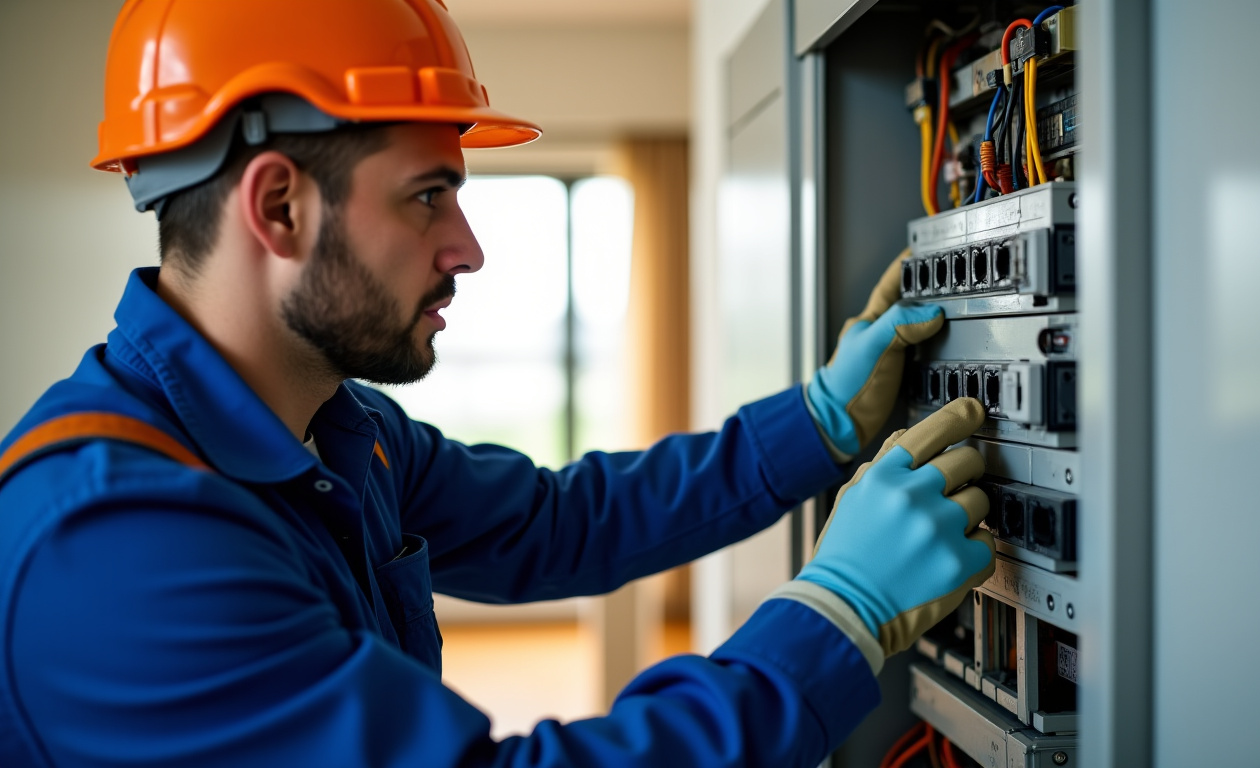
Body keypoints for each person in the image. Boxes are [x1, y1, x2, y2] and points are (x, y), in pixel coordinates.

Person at [0, 1, 996, 765]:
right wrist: (836, 614)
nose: (468, 248)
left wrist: (820, 421)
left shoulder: (341, 430)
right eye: (427, 196)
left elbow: (564, 522)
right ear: (279, 209)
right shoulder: (116, 548)